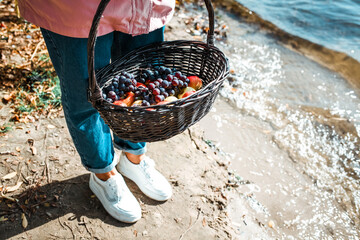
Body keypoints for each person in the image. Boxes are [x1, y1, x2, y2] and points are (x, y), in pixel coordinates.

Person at [18, 0, 175, 223]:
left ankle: (134, 158)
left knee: (143, 86)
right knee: (86, 96)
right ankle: (104, 173)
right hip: (76, 6)